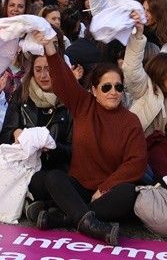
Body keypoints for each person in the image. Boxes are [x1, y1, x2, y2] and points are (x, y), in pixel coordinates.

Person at [32, 30, 145, 245]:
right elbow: (63, 81)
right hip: (79, 186)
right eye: (106, 87)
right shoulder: (83, 104)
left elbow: (136, 163)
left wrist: (105, 188)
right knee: (52, 177)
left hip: (107, 193)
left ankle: (67, 216)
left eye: (118, 87)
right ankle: (88, 224)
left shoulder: (130, 121)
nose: (113, 92)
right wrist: (49, 48)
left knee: (128, 193)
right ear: (94, 90)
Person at [0, 49, 75, 222]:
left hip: (42, 169)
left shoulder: (71, 101)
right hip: (13, 166)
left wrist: (50, 148)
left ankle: (5, 196)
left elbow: (72, 151)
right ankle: (24, 201)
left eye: (49, 69)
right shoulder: (21, 94)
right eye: (38, 70)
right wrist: (14, 134)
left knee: (52, 181)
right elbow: (4, 140)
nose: (43, 75)